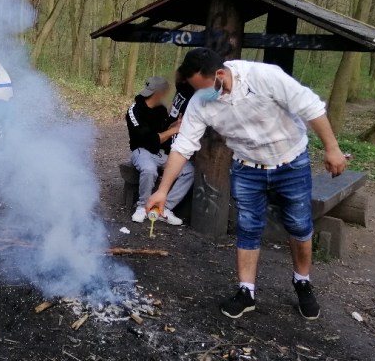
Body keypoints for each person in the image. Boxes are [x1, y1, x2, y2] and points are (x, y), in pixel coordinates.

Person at [145, 48, 347, 320]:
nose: (200, 95)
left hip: (291, 161)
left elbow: (311, 107)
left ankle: (302, 281)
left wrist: (331, 148)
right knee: (248, 227)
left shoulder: (264, 77)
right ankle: (246, 291)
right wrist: (162, 190)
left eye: (202, 88)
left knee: (299, 225)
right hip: (247, 166)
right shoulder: (200, 102)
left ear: (219, 75)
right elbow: (183, 147)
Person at [127, 77, 194, 226]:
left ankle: (165, 209)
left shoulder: (161, 110)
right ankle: (142, 207)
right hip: (142, 151)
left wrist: (175, 125)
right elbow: (150, 139)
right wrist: (174, 131)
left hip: (162, 154)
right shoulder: (135, 111)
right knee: (149, 169)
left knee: (189, 170)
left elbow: (163, 132)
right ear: (158, 93)